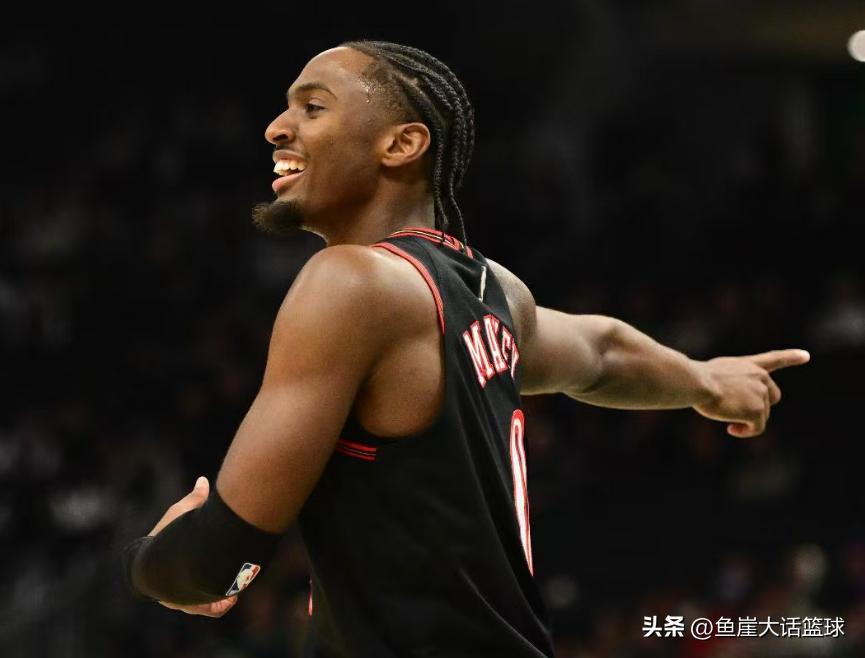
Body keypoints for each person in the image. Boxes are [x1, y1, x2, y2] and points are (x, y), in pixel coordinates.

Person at [121, 40, 810, 657]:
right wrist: (703, 379)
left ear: (401, 144)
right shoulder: (493, 291)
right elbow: (600, 353)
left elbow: (214, 562)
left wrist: (151, 561)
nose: (277, 127)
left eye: (313, 106)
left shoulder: (350, 282)